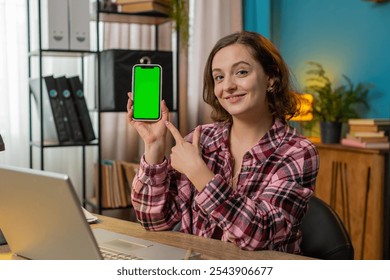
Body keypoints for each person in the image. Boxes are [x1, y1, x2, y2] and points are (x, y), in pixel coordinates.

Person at [127, 31, 319, 254]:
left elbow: (259, 235)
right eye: (219, 77)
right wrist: (154, 146)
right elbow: (154, 221)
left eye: (241, 72)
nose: (227, 86)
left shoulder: (298, 152)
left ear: (271, 78)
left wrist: (199, 174)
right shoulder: (201, 139)